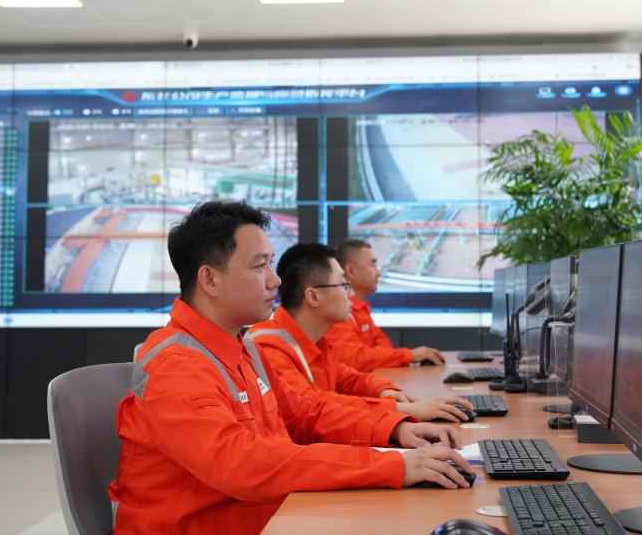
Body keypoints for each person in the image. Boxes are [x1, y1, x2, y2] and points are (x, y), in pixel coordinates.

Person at [108, 201, 472, 535]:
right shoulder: (177, 366)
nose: (275, 280)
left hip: (260, 514)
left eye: (271, 263)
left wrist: (395, 429)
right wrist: (389, 466)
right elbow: (241, 464)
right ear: (210, 279)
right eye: (259, 266)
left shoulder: (242, 349)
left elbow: (305, 413)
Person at [247, 242, 473, 422]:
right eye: (343, 285)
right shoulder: (269, 346)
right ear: (313, 296)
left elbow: (350, 379)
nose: (351, 294)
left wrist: (385, 391)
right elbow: (312, 406)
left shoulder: (316, 341)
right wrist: (400, 410)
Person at [324, 239, 446, 371]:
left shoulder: (361, 307)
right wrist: (411, 355)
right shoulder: (336, 311)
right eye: (372, 265)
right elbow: (354, 359)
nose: (378, 273)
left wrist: (373, 356)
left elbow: (385, 346)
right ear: (351, 270)